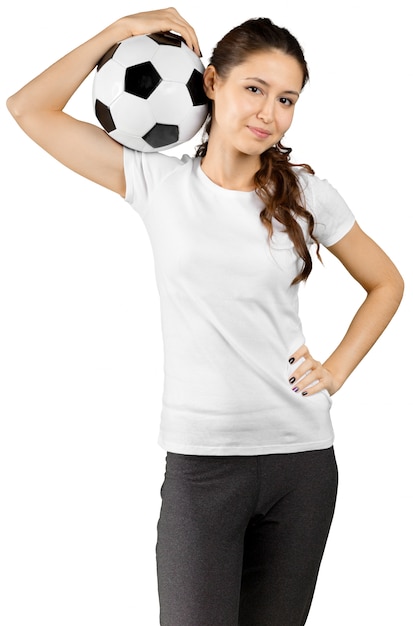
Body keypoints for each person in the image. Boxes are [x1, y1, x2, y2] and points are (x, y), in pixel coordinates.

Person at [6, 7, 404, 626]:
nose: (269, 113)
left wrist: (336, 370)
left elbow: (385, 282)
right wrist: (118, 32)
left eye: (287, 99)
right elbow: (29, 109)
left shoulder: (307, 197)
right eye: (254, 89)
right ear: (211, 82)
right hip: (201, 468)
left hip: (302, 464)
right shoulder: (154, 181)